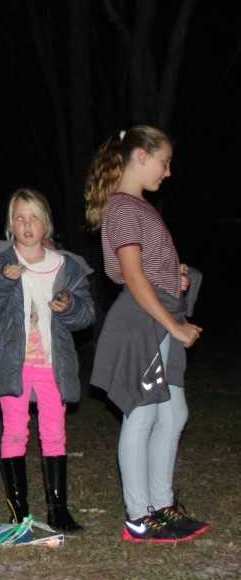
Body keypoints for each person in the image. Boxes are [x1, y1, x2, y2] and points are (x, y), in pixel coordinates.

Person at [85, 125, 209, 544]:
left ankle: (162, 506)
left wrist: (174, 276)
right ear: (140, 157)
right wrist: (173, 323)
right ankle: (138, 516)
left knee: (173, 413)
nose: (168, 172)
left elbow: (147, 268)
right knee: (142, 413)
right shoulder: (123, 209)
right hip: (143, 321)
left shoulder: (140, 208)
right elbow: (134, 278)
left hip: (158, 315)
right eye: (164, 162)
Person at [0, 189, 95, 530]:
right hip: (12, 363)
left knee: (54, 433)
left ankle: (59, 510)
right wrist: (1, 281)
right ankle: (19, 511)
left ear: (46, 224)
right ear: (11, 224)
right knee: (14, 432)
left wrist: (68, 307)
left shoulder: (67, 265)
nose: (26, 225)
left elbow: (86, 315)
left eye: (33, 217)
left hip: (54, 365)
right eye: (19, 218)